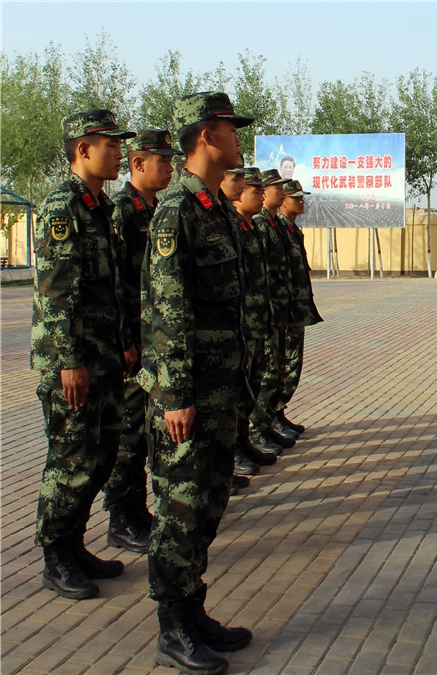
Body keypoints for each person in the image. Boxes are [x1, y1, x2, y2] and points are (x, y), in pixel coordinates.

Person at [140, 92, 253, 674]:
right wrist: (177, 395)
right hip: (189, 395)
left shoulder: (212, 207)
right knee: (179, 510)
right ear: (207, 135)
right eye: (232, 128)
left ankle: (194, 609)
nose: (239, 138)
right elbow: (170, 310)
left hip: (219, 388)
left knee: (207, 504)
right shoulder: (176, 213)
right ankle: (173, 627)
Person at [32, 109, 137, 600]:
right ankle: (55, 554)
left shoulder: (102, 207)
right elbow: (56, 293)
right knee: (70, 457)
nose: (119, 153)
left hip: (104, 357)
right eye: (111, 145)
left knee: (100, 456)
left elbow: (109, 288)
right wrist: (68, 361)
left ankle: (74, 546)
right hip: (72, 362)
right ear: (83, 150)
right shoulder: (63, 208)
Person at [104, 129, 181, 555]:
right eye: (162, 161)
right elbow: (115, 285)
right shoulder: (122, 211)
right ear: (138, 164)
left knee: (143, 431)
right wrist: (125, 341)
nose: (169, 167)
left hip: (150, 342)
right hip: (133, 345)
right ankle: (121, 516)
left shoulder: (154, 211)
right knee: (129, 433)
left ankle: (137, 510)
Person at [225, 165, 280, 473]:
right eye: (254, 190)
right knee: (241, 384)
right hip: (242, 323)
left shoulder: (250, 227)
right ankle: (236, 449)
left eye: (261, 190)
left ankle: (245, 441)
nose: (259, 195)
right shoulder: (232, 224)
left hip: (259, 320)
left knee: (255, 381)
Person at [251, 170, 297, 452]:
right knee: (267, 373)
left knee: (281, 370)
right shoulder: (261, 224)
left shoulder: (277, 224)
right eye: (277, 188)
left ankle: (271, 419)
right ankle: (257, 429)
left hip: (280, 310)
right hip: (265, 314)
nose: (283, 193)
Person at [277, 180, 323, 435]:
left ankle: (277, 414)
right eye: (296, 197)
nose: (301, 201)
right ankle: (266, 420)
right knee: (280, 368)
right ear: (283, 200)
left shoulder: (292, 230)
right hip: (286, 314)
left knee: (291, 368)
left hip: (296, 312)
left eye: (302, 197)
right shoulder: (278, 229)